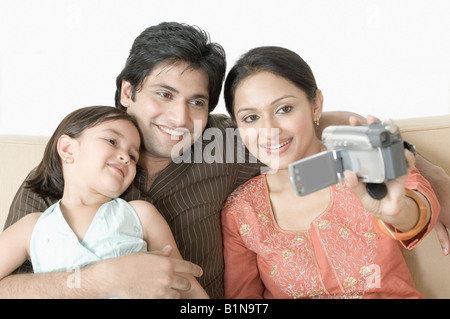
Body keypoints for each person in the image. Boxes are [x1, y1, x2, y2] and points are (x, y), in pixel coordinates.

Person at [2, 22, 449, 299]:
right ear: (127, 92)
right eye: (163, 94)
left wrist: (420, 168)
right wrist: (97, 282)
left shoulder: (229, 143)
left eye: (197, 102)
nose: (180, 118)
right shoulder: (69, 168)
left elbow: (295, 133)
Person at [221, 46, 440, 298]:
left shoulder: (368, 162)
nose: (269, 129)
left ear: (316, 105)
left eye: (284, 109)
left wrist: (398, 211)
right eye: (250, 118)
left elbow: (422, 208)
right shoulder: (241, 211)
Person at [0, 106, 208, 299]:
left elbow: (187, 286)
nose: (126, 157)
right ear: (67, 149)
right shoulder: (32, 227)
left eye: (133, 156)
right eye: (112, 141)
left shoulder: (141, 214)